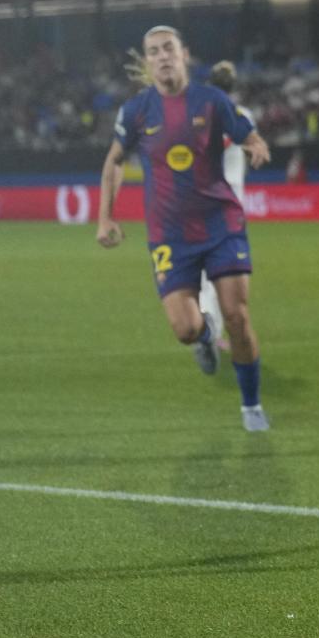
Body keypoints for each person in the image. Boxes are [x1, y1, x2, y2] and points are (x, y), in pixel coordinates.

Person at [95, 26, 273, 431]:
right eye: (153, 51)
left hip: (221, 224)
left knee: (238, 317)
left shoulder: (211, 101)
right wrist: (106, 216)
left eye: (168, 49)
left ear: (184, 54)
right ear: (147, 62)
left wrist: (256, 144)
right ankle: (205, 336)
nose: (162, 56)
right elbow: (115, 161)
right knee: (185, 329)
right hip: (169, 234)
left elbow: (246, 131)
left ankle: (251, 406)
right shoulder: (137, 111)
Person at [200, 61, 256, 353]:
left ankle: (206, 326)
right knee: (229, 271)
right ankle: (215, 330)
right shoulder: (242, 115)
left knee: (202, 270)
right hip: (231, 204)